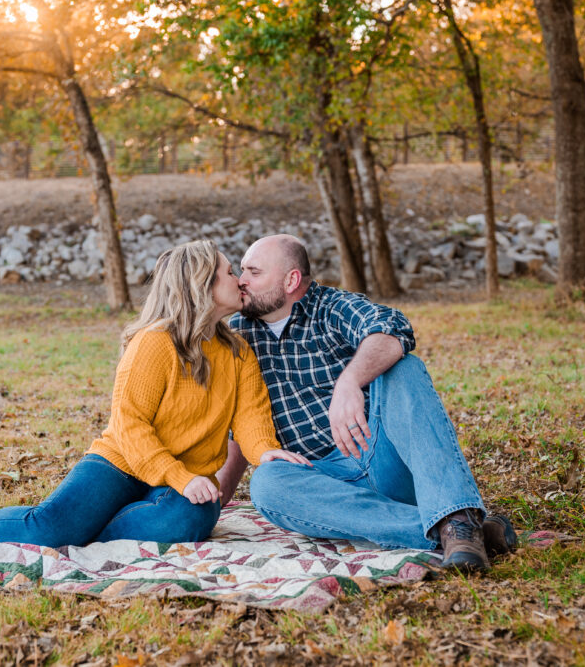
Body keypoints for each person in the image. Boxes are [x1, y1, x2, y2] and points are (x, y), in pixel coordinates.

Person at [0, 239, 309, 546]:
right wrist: (179, 476)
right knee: (50, 529)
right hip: (121, 463)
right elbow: (129, 426)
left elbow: (251, 421)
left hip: (178, 481)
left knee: (194, 519)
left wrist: (265, 452)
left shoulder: (238, 352)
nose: (239, 279)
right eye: (227, 272)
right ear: (199, 284)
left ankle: (89, 536)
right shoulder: (155, 343)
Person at [219, 234, 515, 573]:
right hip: (324, 484)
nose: (242, 281)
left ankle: (456, 518)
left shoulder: (330, 307)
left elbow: (392, 330)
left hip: (380, 457)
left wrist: (349, 382)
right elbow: (242, 423)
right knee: (267, 483)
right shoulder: (239, 333)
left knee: (403, 368)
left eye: (253, 272)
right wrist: (213, 500)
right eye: (241, 270)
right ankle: (457, 531)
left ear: (291, 280)